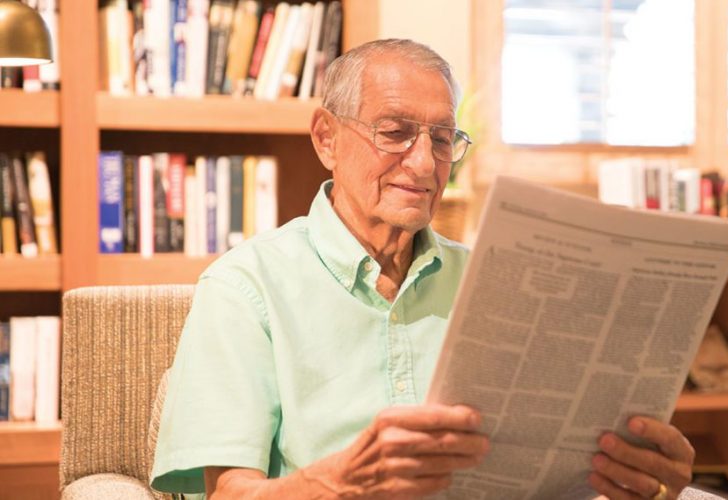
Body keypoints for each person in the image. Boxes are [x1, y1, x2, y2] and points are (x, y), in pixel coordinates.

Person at [151, 38, 695, 499]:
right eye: (394, 132)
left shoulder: (496, 278)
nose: (422, 163)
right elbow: (231, 494)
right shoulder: (246, 286)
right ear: (326, 139)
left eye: (441, 139)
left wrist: (640, 475)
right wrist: (335, 482)